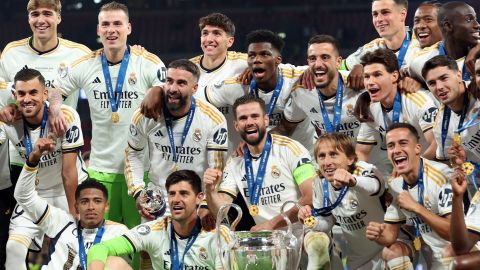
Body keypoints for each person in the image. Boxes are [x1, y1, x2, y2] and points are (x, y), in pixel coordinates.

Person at [53, 1, 167, 228]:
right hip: (99, 171)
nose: (111, 30)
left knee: (142, 246)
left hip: (141, 172)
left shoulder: (147, 62)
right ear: (98, 30)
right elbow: (56, 88)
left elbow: (170, 89)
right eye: (105, 24)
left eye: (117, 23)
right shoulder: (86, 64)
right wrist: (56, 107)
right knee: (101, 244)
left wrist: (157, 89)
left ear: (129, 28)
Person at [0, 68, 87, 270]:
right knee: (13, 248)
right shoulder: (10, 122)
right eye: (21, 94)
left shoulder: (65, 117)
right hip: (35, 195)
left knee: (74, 252)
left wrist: (75, 211)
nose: (27, 99)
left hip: (68, 192)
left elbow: (68, 172)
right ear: (14, 96)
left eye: (33, 93)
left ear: (45, 94)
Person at [125, 59, 227, 220]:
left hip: (196, 200)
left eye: (181, 83)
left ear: (194, 88)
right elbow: (133, 155)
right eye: (169, 81)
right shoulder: (145, 115)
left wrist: (207, 203)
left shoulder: (213, 119)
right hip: (156, 201)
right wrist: (138, 192)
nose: (172, 88)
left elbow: (217, 169)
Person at [298, 133, 414, 269]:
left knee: (395, 253)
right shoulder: (320, 184)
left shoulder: (365, 170)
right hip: (359, 259)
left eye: (333, 154)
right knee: (313, 236)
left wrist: (353, 181)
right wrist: (310, 220)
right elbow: (326, 223)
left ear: (350, 159)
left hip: (391, 244)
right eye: (322, 156)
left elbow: (375, 186)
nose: (327, 162)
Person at [280, 34, 390, 176]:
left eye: (325, 57)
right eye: (313, 59)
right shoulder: (301, 92)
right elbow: (285, 128)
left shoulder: (360, 84)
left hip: (373, 169)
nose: (318, 64)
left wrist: (361, 67)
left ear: (338, 62)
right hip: (331, 171)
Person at [203, 95, 316, 231]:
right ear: (236, 125)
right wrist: (210, 191)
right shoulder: (235, 162)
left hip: (302, 237)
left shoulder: (290, 149)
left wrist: (271, 225)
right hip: (267, 243)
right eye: (243, 118)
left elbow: (311, 197)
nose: (249, 122)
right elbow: (221, 211)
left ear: (266, 120)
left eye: (255, 116)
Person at [13, 138, 128, 270]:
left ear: (107, 206)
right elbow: (23, 196)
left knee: (116, 263)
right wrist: (32, 160)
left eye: (97, 201)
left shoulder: (119, 232)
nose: (91, 207)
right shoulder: (61, 222)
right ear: (76, 206)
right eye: (84, 202)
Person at [87, 170, 229, 270]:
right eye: (172, 194)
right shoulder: (155, 230)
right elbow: (99, 248)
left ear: (199, 198)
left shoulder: (217, 234)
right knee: (113, 263)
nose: (176, 200)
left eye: (184, 194)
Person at [204, 29, 314, 151]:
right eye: (252, 55)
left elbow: (336, 68)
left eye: (264, 54)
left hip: (304, 155)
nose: (257, 59)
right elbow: (198, 98)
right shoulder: (238, 85)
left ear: (278, 59)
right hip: (259, 158)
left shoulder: (299, 78)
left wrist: (313, 69)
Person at [366, 123, 454, 269]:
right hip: (432, 253)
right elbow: (390, 236)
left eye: (403, 143)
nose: (396, 150)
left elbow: (454, 233)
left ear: (417, 148)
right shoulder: (395, 186)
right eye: (391, 146)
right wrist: (379, 235)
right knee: (391, 252)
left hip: (459, 251)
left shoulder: (441, 176)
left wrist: (416, 207)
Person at [355, 48, 438, 163]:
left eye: (377, 75)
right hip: (404, 167)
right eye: (367, 76)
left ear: (394, 76)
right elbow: (361, 152)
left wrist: (413, 167)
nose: (370, 82)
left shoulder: (417, 102)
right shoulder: (370, 109)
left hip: (435, 167)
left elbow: (437, 145)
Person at [344, 0, 422, 89]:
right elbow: (336, 67)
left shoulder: (422, 45)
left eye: (385, 12)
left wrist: (422, 83)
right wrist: (357, 66)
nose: (379, 19)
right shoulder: (371, 48)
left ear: (402, 14)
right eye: (375, 14)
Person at [422, 55, 480, 164]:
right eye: (432, 83)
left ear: (459, 75)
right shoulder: (441, 126)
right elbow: (448, 163)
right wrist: (459, 163)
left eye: (444, 78)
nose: (439, 87)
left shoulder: (477, 92)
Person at [409, 1, 480, 82]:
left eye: (428, 19)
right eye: (468, 20)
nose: (477, 25)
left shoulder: (477, 55)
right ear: (448, 25)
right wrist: (411, 81)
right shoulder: (419, 63)